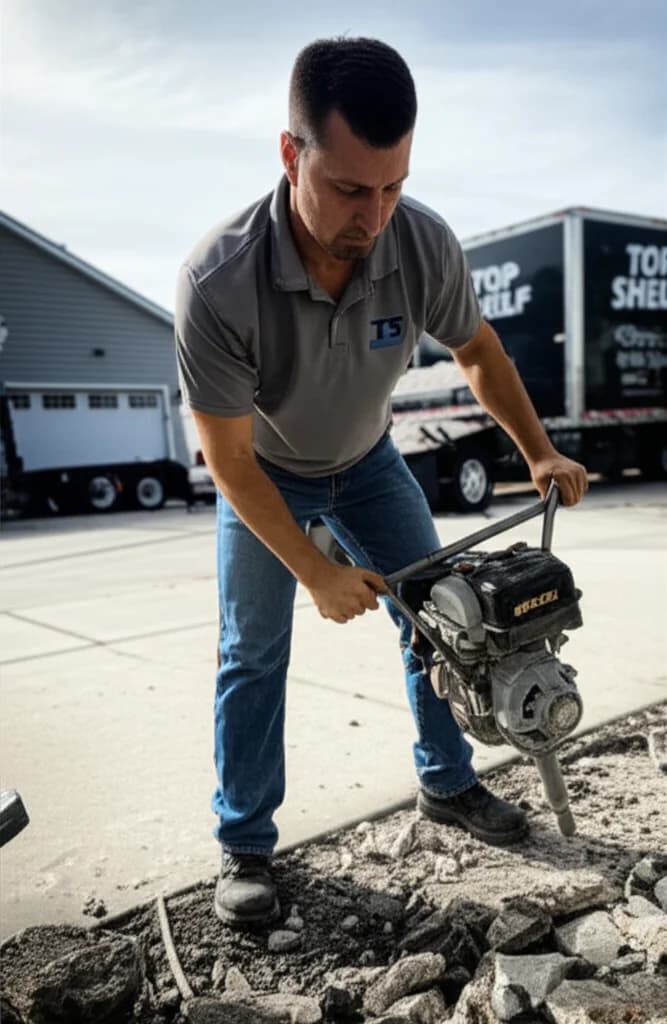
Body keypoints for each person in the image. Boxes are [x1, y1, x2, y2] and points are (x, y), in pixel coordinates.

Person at [175, 36, 588, 928]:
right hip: (268, 475)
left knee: (446, 624)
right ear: (291, 154)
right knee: (251, 652)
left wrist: (538, 450)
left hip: (368, 461)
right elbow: (230, 461)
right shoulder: (218, 281)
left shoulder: (421, 243)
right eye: (352, 189)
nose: (376, 214)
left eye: (394, 184)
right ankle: (244, 842)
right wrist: (313, 571)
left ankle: (447, 782)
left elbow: (478, 350)